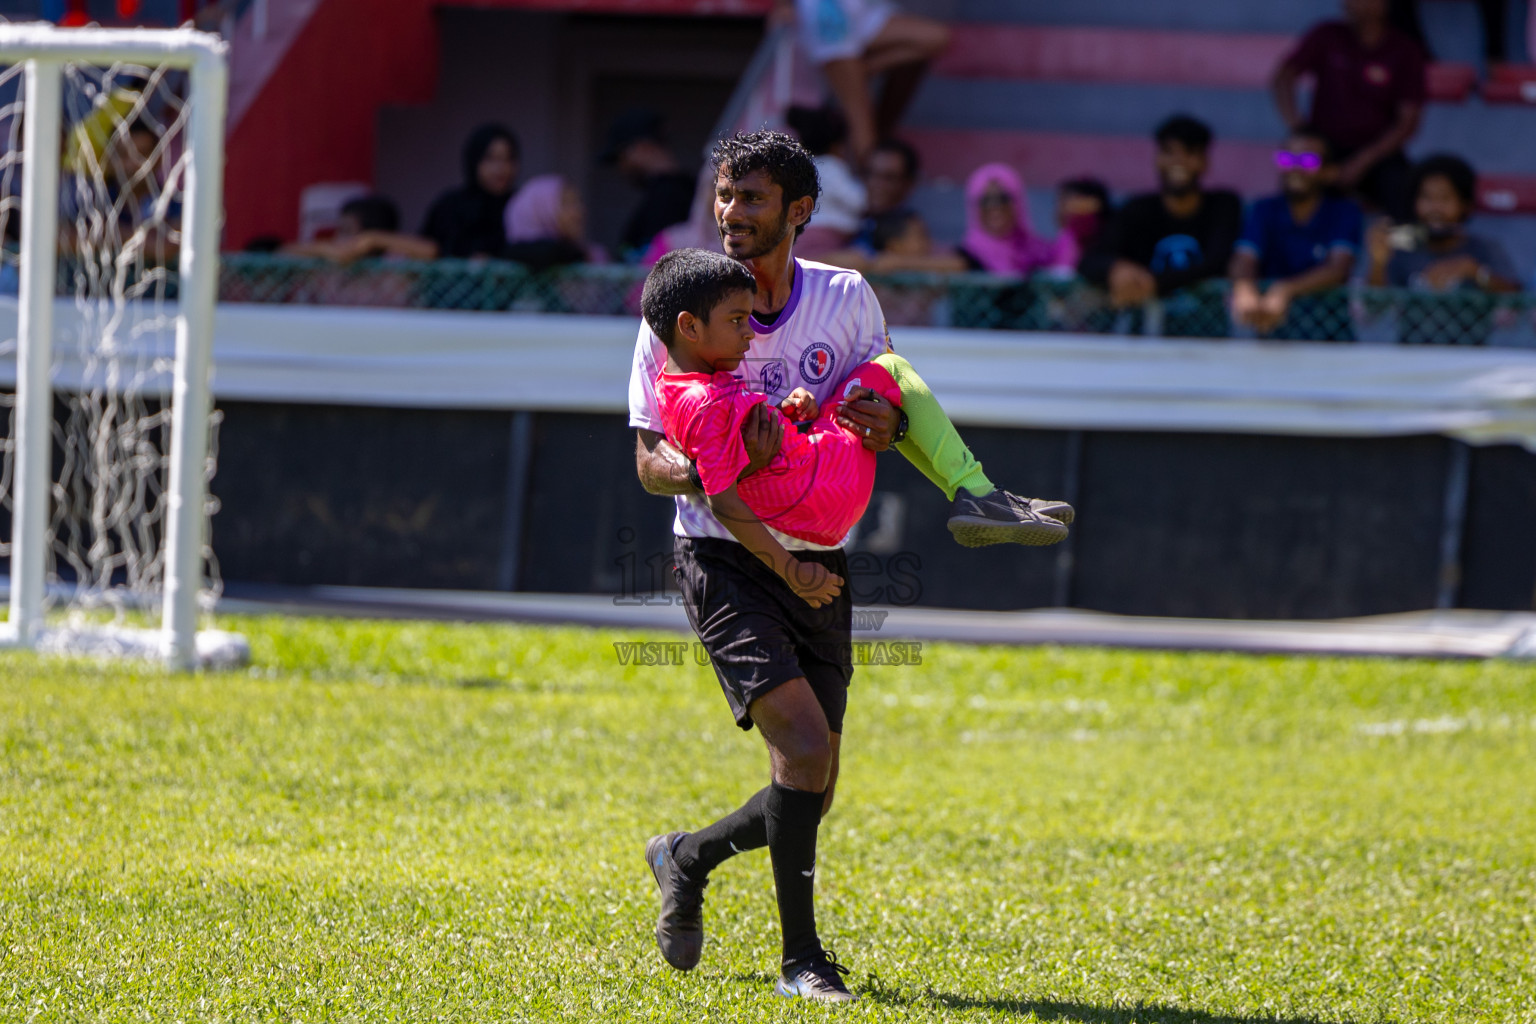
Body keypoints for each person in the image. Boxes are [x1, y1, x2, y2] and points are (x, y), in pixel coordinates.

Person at [630, 129, 1071, 1004]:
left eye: (750, 198)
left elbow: (869, 410)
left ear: (798, 211)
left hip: (820, 552)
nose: (730, 214)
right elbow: (648, 461)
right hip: (727, 550)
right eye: (723, 195)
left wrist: (879, 422)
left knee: (813, 784)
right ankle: (804, 961)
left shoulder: (844, 297)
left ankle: (686, 856)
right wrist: (719, 468)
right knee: (800, 745)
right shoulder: (677, 303)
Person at [1079, 115, 1241, 337]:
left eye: (1189, 153)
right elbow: (1091, 259)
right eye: (1169, 152)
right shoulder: (1137, 209)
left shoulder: (1223, 205)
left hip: (1208, 338)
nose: (1178, 161)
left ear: (1205, 161)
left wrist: (1153, 283)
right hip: (1145, 339)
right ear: (1157, 158)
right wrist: (1116, 268)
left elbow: (1218, 261)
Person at [1272, 0, 1426, 220]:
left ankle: (1407, 251)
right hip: (1324, 149)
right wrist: (1299, 129)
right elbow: (1283, 78)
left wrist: (1361, 162)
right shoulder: (1327, 34)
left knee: (1407, 198)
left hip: (1379, 153)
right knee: (1296, 182)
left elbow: (1407, 123)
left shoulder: (1405, 49)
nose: (1353, 4)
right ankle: (1295, 249)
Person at [1366, 153, 1520, 345]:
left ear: (1465, 205)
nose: (1435, 208)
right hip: (1411, 359)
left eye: (1445, 198)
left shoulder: (1483, 249)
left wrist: (1475, 272)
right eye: (1426, 198)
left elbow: (1518, 301)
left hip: (1471, 361)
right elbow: (1371, 311)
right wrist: (1378, 263)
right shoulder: (1402, 251)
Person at [1230, 128, 1364, 342]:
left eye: (1308, 161)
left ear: (1329, 171)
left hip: (1330, 343)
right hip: (1272, 337)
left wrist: (1285, 290)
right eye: (1287, 159)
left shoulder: (1344, 212)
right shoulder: (1263, 209)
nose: (1295, 168)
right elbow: (1245, 258)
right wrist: (1244, 288)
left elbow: (1338, 269)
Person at [782, 0, 950, 163]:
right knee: (860, 118)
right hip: (828, 15)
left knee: (936, 38)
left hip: (861, 11)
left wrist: (866, 69)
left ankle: (861, 72)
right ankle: (868, 181)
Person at [602, 108, 697, 257]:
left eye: (621, 157)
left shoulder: (669, 195)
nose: (621, 168)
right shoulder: (685, 189)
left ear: (641, 147)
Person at [420, 123, 519, 259]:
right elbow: (427, 249)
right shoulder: (450, 206)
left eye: (507, 159)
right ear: (474, 161)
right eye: (491, 159)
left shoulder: (520, 206)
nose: (500, 168)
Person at [957, 163, 1070, 277]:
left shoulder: (1040, 252)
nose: (994, 206)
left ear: (1018, 202)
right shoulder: (963, 258)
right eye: (985, 200)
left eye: (1003, 198)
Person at [785, 104, 865, 258]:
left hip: (800, 233)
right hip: (827, 236)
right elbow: (857, 201)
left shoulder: (800, 169)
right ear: (837, 145)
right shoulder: (832, 167)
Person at [282, 194, 439, 263]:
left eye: (347, 230)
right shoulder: (333, 261)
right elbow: (282, 254)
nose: (339, 236)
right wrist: (323, 249)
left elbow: (430, 251)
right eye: (340, 229)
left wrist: (372, 240)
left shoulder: (393, 261)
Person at [502, 174, 606, 270]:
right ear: (541, 211)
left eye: (578, 202)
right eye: (567, 204)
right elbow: (547, 253)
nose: (579, 212)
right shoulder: (513, 259)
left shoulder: (594, 256)